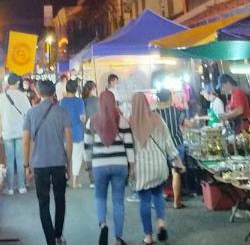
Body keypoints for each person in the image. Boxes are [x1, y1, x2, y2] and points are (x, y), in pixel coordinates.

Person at [129, 93, 184, 245]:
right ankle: (161, 224)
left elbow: (128, 148)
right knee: (158, 196)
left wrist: (129, 167)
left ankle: (148, 236)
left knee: (144, 201)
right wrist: (176, 158)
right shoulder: (157, 119)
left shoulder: (130, 122)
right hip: (159, 165)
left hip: (142, 168)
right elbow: (168, 142)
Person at [23, 79, 72, 245]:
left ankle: (50, 241)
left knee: (43, 203)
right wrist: (69, 165)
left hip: (39, 164)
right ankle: (58, 235)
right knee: (60, 199)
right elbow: (69, 142)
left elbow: (25, 141)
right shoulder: (62, 112)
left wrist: (26, 166)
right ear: (53, 93)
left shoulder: (31, 113)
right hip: (59, 162)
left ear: (38, 93)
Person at [84, 89, 135, 245]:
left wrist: (88, 164)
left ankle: (103, 224)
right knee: (118, 201)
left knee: (100, 196)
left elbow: (87, 146)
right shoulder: (122, 120)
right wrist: (132, 166)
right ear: (114, 102)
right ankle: (118, 238)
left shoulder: (92, 121)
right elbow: (129, 146)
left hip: (99, 166)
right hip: (120, 166)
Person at [0, 73, 32, 195]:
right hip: (21, 131)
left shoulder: (2, 97)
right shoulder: (23, 96)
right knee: (20, 159)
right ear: (17, 83)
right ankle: (22, 187)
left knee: (9, 160)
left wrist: (0, 132)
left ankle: (10, 188)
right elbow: (28, 114)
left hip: (7, 132)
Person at [155, 89, 185, 209]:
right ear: (169, 98)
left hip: (159, 145)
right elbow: (185, 123)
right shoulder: (176, 111)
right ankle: (177, 202)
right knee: (176, 172)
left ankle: (157, 201)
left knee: (159, 174)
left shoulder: (154, 113)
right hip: (176, 143)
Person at [59, 80, 86, 187]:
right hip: (77, 133)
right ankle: (75, 181)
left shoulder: (62, 102)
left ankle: (65, 177)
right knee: (77, 157)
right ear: (76, 89)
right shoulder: (79, 101)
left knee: (65, 157)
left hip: (64, 133)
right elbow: (82, 118)